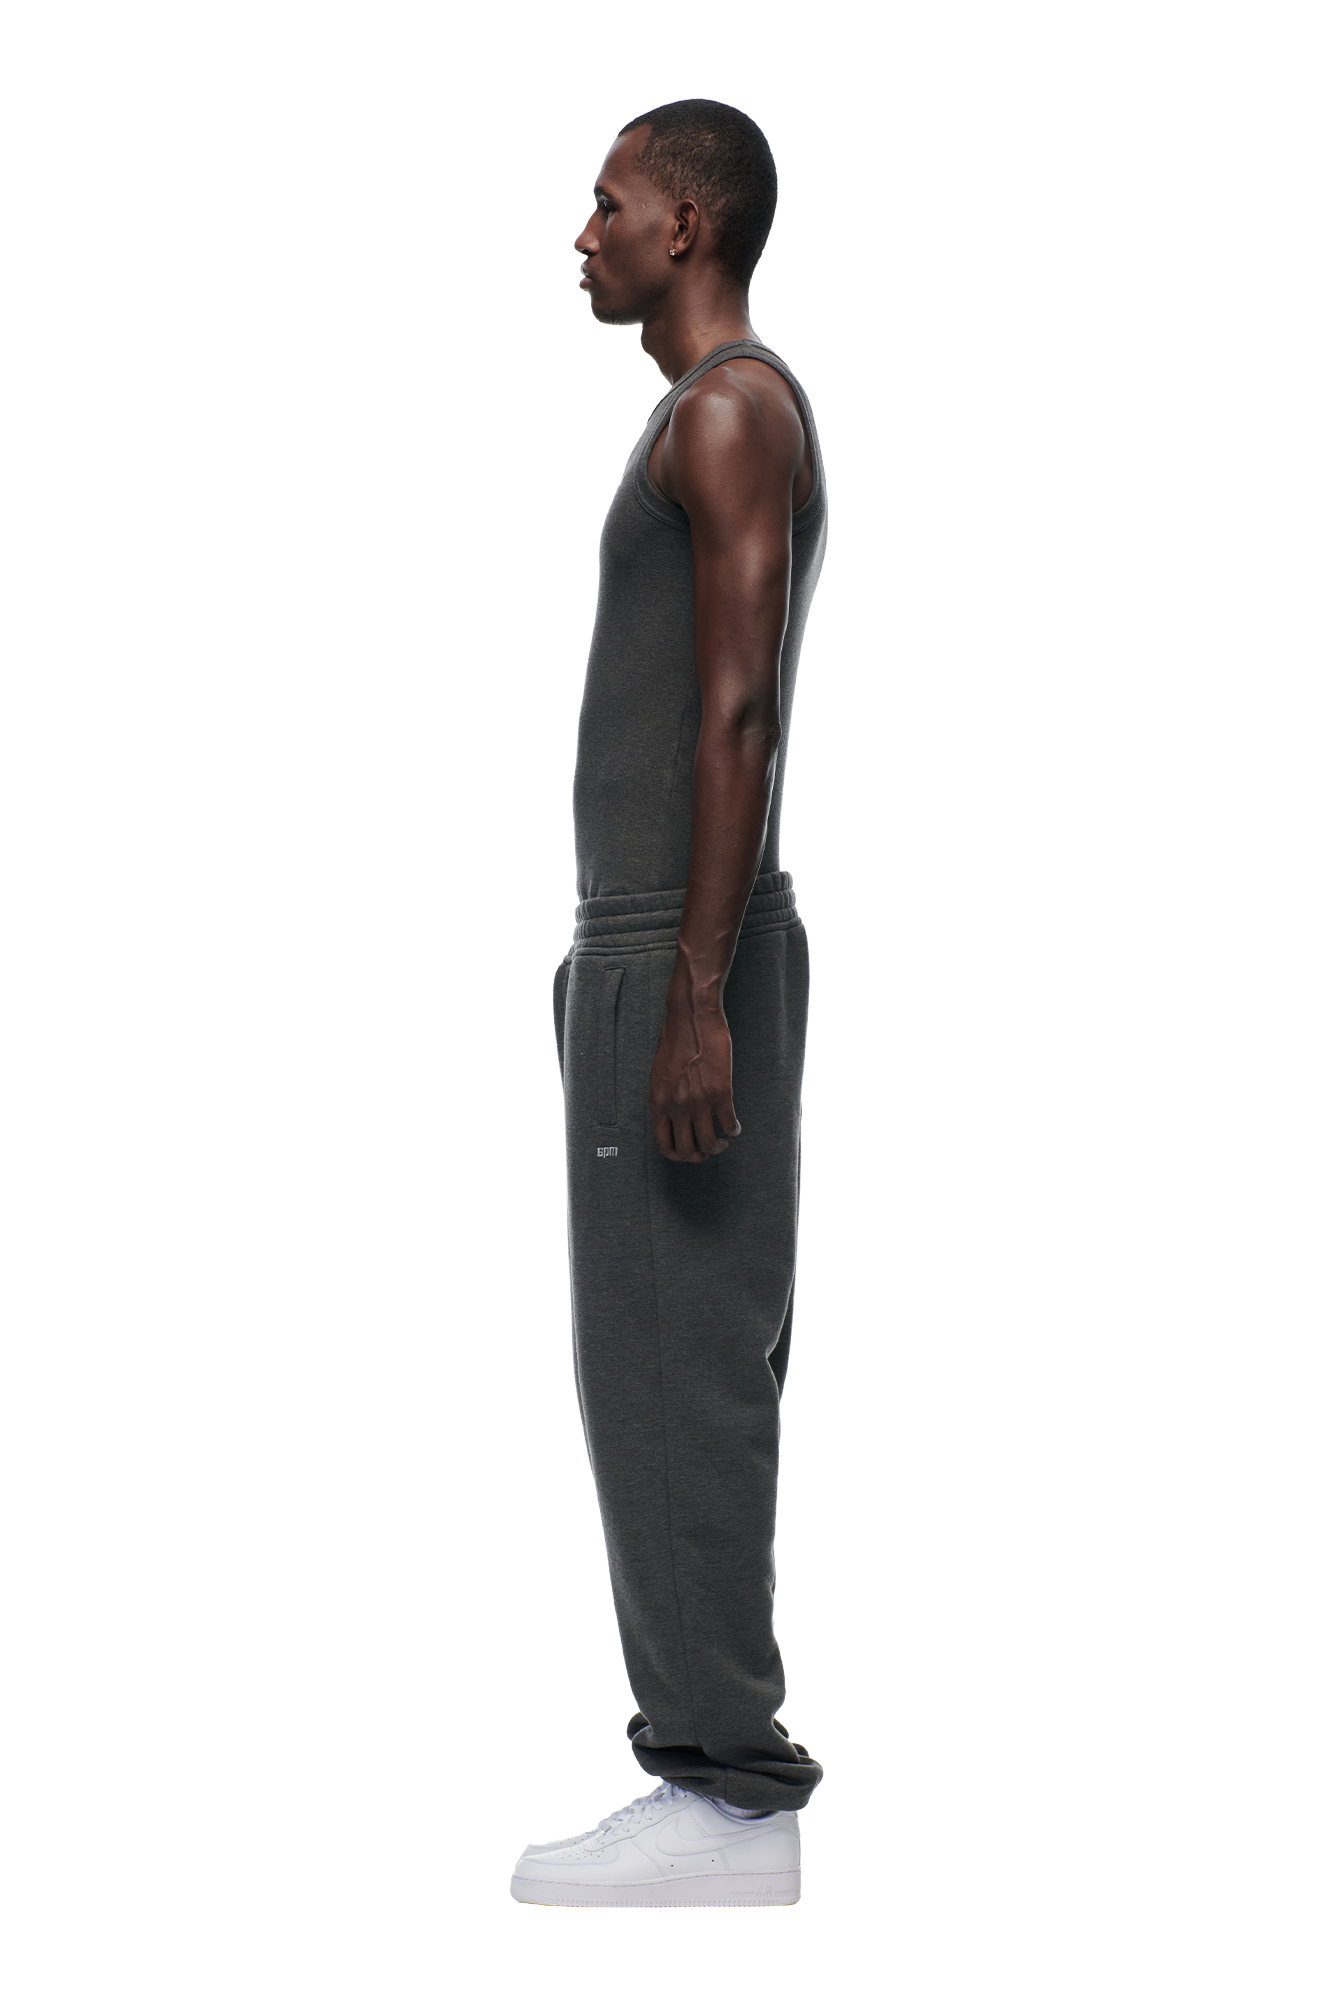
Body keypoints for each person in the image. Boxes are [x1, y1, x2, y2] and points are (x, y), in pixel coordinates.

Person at [510, 100, 827, 1909]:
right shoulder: (714, 412)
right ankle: (711, 1771)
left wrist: (691, 988)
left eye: (608, 203)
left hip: (677, 947)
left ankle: (726, 1796)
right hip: (651, 944)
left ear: (688, 222)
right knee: (651, 1355)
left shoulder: (728, 410)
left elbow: (740, 709)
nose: (585, 236)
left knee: (673, 1362)